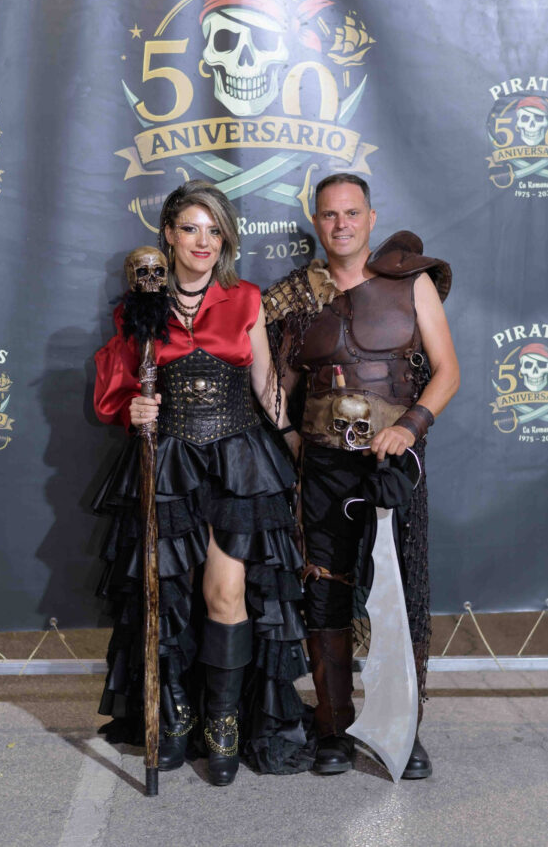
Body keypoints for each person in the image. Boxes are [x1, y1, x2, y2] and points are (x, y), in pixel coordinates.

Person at [93, 180, 311, 786]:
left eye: (214, 230)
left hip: (238, 462)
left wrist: (294, 441)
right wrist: (134, 408)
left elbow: (266, 386)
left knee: (226, 593)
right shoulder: (141, 306)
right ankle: (174, 717)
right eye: (190, 228)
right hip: (167, 463)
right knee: (166, 598)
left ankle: (223, 722)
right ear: (167, 233)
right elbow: (119, 388)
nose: (203, 241)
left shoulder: (245, 299)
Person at [263, 173, 459, 779]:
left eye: (351, 213)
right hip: (323, 466)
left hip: (391, 464)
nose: (341, 224)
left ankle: (403, 728)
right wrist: (291, 438)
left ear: (371, 219)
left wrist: (411, 426)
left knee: (399, 595)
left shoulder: (411, 284)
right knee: (325, 588)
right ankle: (333, 727)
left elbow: (448, 371)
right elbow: (277, 387)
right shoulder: (296, 298)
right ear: (316, 222)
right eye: (329, 214)